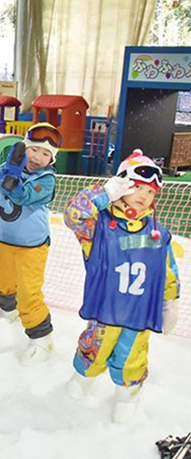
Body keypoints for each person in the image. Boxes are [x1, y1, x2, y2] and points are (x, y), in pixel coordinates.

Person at [63, 149, 180, 423]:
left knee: (133, 356)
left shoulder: (157, 233)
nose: (143, 195)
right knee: (95, 348)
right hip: (106, 309)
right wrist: (104, 192)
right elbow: (73, 214)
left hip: (139, 312)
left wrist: (169, 301)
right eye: (136, 187)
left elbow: (167, 270)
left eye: (150, 192)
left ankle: (126, 398)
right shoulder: (98, 225)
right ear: (121, 185)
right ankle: (82, 380)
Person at [0, 123, 61, 365]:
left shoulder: (47, 179)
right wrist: (10, 171)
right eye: (34, 150)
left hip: (32, 245)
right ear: (24, 149)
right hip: (5, 239)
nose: (38, 158)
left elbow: (24, 195)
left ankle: (42, 338)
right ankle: (7, 312)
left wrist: (13, 179)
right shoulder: (12, 167)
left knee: (29, 292)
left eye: (45, 154)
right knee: (3, 281)